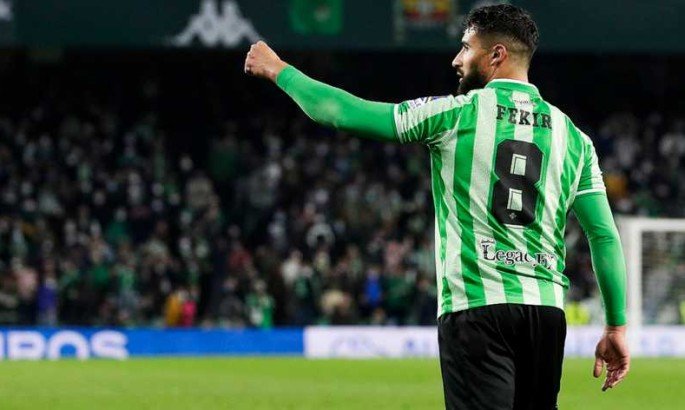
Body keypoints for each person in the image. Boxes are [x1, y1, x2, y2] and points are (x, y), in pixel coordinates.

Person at [244, 4, 629, 409]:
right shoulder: (575, 139)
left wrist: (279, 70)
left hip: (477, 308)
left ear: (496, 55)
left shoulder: (454, 115)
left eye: (466, 48)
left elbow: (340, 112)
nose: (456, 60)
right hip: (545, 314)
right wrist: (616, 326)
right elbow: (603, 235)